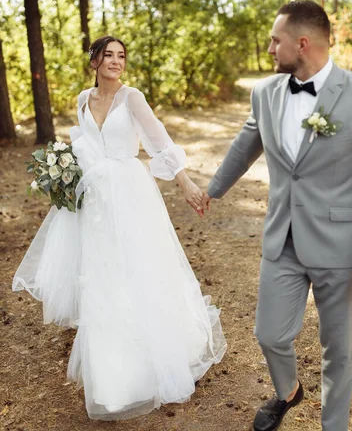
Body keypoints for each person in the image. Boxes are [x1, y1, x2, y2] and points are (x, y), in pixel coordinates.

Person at [203, 0, 352, 431]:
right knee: (269, 335)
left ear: (303, 43)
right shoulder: (266, 93)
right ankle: (289, 391)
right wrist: (212, 190)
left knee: (338, 350)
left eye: (277, 41)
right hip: (283, 240)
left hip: (341, 246)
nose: (271, 49)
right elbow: (245, 145)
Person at [13, 36, 226, 421]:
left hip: (130, 195)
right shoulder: (81, 99)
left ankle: (155, 359)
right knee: (101, 277)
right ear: (93, 60)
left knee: (138, 271)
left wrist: (187, 184)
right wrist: (61, 174)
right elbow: (81, 147)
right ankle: (113, 379)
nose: (115, 61)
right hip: (93, 201)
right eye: (107, 55)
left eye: (121, 56)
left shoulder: (133, 98)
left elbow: (160, 141)